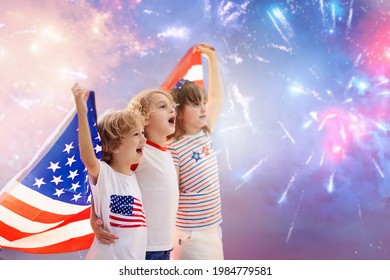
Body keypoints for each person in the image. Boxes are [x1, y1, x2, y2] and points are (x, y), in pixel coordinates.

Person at [90, 88, 179, 260]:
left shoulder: (166, 153)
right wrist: (95, 217)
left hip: (165, 246)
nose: (172, 110)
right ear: (143, 118)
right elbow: (106, 182)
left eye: (172, 106)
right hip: (143, 248)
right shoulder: (138, 152)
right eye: (162, 106)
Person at [72, 83, 147, 259]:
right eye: (136, 134)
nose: (144, 138)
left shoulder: (134, 176)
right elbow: (88, 157)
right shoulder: (104, 174)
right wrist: (81, 113)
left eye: (142, 133)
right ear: (113, 146)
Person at [167, 43, 225, 259]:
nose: (203, 108)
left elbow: (217, 98)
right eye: (194, 104)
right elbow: (169, 195)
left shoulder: (205, 132)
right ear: (179, 112)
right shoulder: (172, 148)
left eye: (202, 102)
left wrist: (212, 59)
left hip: (212, 229)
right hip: (190, 236)